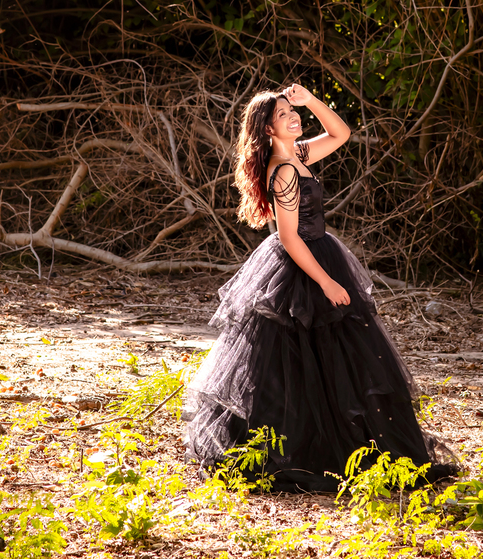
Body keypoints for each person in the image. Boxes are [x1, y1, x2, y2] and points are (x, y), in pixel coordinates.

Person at [183, 83, 457, 491]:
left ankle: (338, 443)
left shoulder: (299, 155)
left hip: (319, 254)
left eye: (290, 112)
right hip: (304, 265)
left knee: (331, 359)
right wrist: (326, 282)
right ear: (268, 131)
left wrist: (310, 101)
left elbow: (341, 134)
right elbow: (290, 237)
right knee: (294, 361)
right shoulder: (286, 171)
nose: (292, 118)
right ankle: (301, 451)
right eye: (282, 115)